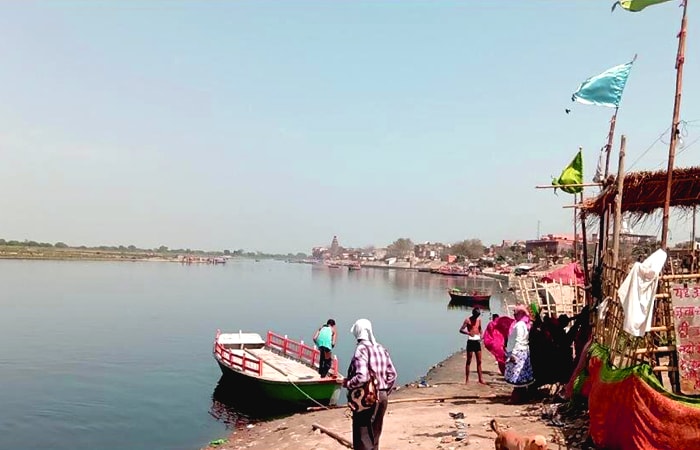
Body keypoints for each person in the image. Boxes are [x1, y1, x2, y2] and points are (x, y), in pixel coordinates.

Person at [343, 319, 397, 450]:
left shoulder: (361, 350)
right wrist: (383, 391)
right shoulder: (380, 348)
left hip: (366, 399)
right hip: (382, 396)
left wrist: (348, 383)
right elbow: (392, 374)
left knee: (363, 437)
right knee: (375, 435)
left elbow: (362, 376)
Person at [505, 305, 535, 403]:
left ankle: (517, 399)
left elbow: (519, 340)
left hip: (518, 352)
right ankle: (522, 398)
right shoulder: (523, 324)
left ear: (521, 314)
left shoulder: (519, 325)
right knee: (520, 377)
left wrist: (513, 354)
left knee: (517, 376)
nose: (514, 315)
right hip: (522, 351)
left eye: (516, 313)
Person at [459, 308, 486, 384]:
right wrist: (468, 333)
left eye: (477, 316)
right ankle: (467, 379)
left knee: (479, 361)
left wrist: (481, 335)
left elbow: (480, 329)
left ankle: (480, 379)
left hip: (477, 341)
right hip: (470, 341)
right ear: (473, 314)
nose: (476, 318)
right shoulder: (467, 320)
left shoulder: (479, 320)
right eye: (475, 316)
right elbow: (461, 330)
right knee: (469, 361)